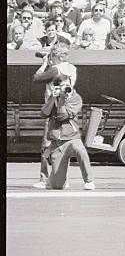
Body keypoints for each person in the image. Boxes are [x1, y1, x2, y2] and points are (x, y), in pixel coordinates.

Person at [32, 44, 77, 188]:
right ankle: (63, 179)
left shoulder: (55, 69)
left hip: (53, 111)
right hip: (66, 111)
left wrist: (44, 63)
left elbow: (36, 78)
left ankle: (44, 179)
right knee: (62, 145)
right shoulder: (72, 69)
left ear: (57, 56)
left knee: (46, 145)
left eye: (52, 56)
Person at [40, 74, 95, 190]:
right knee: (57, 186)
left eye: (67, 84)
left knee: (80, 149)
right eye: (62, 86)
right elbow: (44, 114)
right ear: (57, 87)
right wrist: (52, 99)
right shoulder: (54, 97)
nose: (66, 88)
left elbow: (62, 116)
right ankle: (58, 179)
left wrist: (62, 100)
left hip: (72, 138)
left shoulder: (76, 98)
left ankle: (89, 181)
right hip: (57, 143)